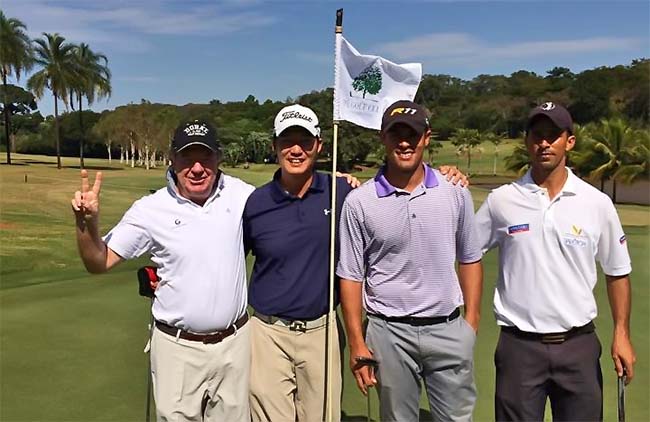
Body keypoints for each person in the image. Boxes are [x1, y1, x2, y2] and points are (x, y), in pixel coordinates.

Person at [244, 104, 470, 422]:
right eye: (286, 142)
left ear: (319, 145)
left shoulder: (343, 193)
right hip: (267, 331)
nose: (296, 150)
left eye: (305, 141)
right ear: (274, 146)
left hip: (320, 330)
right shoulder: (255, 202)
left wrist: (446, 172)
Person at [71, 120, 254, 421]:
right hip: (177, 349)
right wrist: (85, 224)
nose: (197, 168)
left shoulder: (242, 195)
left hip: (234, 346)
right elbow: (98, 261)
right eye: (187, 157)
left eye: (205, 157)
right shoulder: (149, 209)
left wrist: (338, 186)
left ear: (219, 157)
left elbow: (288, 202)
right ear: (172, 158)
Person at [474, 102, 636, 421]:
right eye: (537, 135)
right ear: (527, 140)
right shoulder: (501, 200)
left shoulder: (597, 203)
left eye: (553, 136)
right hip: (519, 347)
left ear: (569, 141)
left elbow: (617, 272)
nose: (544, 143)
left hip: (579, 345)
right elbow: (468, 254)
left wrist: (621, 334)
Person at [337, 100, 483, 422]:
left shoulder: (454, 191)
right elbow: (350, 276)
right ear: (383, 139)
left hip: (447, 327)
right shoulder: (359, 201)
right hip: (388, 333)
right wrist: (357, 343)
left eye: (412, 134)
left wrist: (470, 323)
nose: (404, 142)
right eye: (395, 134)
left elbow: (470, 258)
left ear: (426, 138)